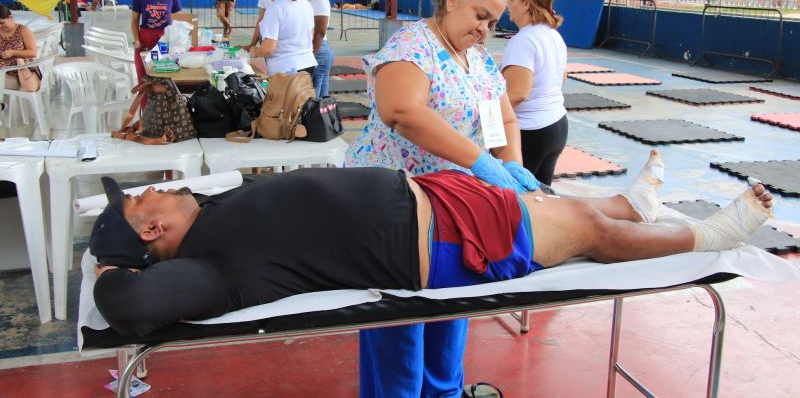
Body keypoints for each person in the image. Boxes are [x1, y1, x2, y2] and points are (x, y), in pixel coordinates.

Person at [90, 152, 774, 342]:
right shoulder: (210, 268)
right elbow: (130, 303)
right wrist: (112, 261)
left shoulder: (210, 211)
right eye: (137, 201)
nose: (152, 189)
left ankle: (634, 203)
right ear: (150, 231)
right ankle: (711, 235)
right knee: (588, 236)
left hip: (429, 198)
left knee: (567, 206)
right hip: (440, 240)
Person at [344, 0, 539, 397]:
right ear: (452, 0)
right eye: (480, 16)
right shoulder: (413, 45)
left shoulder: (481, 61)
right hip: (392, 204)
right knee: (401, 323)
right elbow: (401, 111)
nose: (486, 29)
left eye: (494, 21)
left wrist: (511, 164)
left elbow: (504, 120)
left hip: (449, 208)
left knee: (452, 308)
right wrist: (480, 162)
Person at [502, 0, 568, 186]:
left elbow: (517, 93)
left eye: (511, 0)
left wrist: (486, 125)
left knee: (517, 197)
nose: (508, 5)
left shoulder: (523, 40)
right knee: (541, 196)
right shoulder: (553, 35)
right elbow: (561, 78)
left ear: (525, 4)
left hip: (531, 132)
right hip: (557, 125)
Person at [249, 0, 316, 76]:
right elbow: (311, 34)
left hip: (286, 68)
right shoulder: (305, 3)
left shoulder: (275, 8)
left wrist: (255, 51)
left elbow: (268, 49)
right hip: (308, 64)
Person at [130, 0, 182, 81]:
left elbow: (178, 21)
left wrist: (178, 41)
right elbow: (134, 21)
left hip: (164, 40)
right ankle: (144, 101)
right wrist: (137, 40)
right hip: (145, 39)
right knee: (145, 78)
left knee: (164, 77)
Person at [302, 0, 334, 96]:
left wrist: (310, 56)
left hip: (318, 51)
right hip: (316, 50)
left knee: (314, 101)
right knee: (320, 102)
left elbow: (320, 31)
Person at [0, 5, 41, 93]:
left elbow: (33, 53)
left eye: (2, 23)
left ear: (10, 17)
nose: (0, 26)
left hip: (20, 70)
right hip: (3, 71)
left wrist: (13, 52)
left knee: (29, 87)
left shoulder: (22, 30)